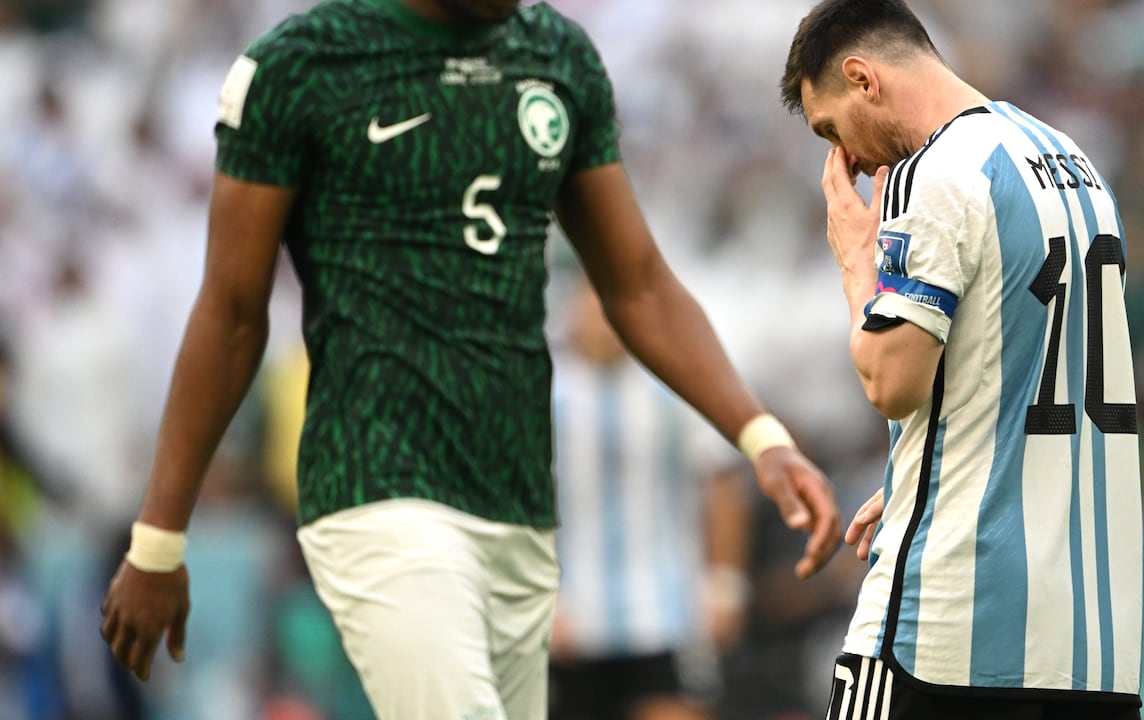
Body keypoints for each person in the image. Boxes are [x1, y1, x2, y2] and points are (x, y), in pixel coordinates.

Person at [98, 1, 843, 719]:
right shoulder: (302, 67)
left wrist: (759, 436)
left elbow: (639, 284)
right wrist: (159, 540)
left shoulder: (555, 56)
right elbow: (231, 313)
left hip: (516, 507)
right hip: (377, 487)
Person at [778, 1, 1144, 718]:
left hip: (946, 633)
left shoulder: (936, 170)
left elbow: (891, 381)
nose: (846, 161)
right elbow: (1046, 371)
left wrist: (858, 264)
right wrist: (939, 466)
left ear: (862, 78)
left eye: (831, 129)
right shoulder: (1077, 165)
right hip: (1090, 651)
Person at [547, 278, 751, 720]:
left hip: (669, 615)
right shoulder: (546, 393)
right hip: (573, 620)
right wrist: (538, 601)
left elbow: (720, 482)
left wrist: (724, 587)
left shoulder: (675, 387)